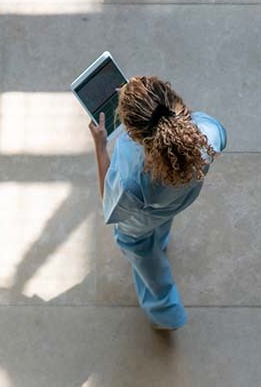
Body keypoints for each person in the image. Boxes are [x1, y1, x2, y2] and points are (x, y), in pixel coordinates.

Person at [88, 76, 227, 331]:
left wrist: (101, 147)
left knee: (144, 257)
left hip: (139, 222)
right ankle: (161, 242)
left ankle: (167, 313)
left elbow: (111, 206)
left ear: (133, 133)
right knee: (162, 224)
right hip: (178, 201)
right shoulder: (209, 132)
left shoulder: (132, 173)